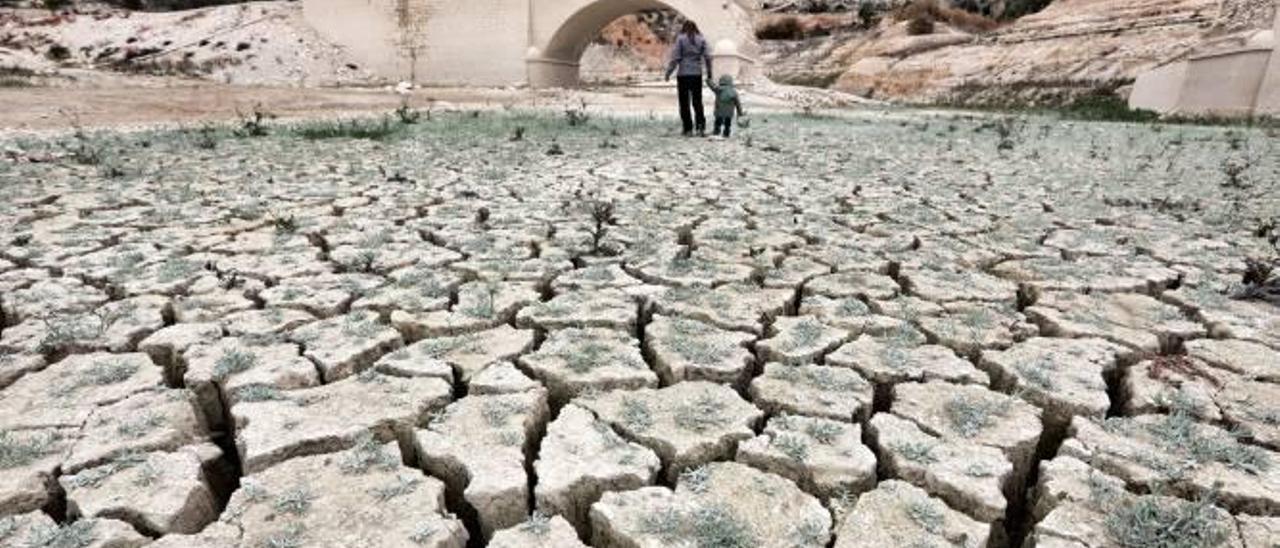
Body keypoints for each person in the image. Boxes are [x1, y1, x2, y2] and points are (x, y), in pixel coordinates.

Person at [665, 21, 712, 137]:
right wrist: (710, 72)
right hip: (696, 74)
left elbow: (675, 58)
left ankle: (688, 129)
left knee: (684, 103)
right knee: (697, 102)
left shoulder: (680, 39)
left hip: (683, 75)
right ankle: (701, 128)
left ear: (684, 28)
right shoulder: (701, 39)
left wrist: (668, 72)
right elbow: (708, 57)